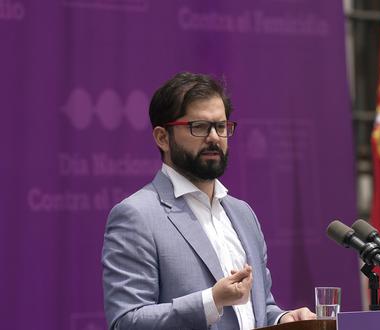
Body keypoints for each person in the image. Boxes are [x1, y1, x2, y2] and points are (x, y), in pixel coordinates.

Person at [102, 72, 316, 329]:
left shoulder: (242, 213)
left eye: (221, 126)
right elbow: (126, 321)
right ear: (162, 138)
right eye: (199, 126)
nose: (214, 137)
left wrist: (283, 319)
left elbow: (259, 309)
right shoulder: (137, 215)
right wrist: (211, 301)